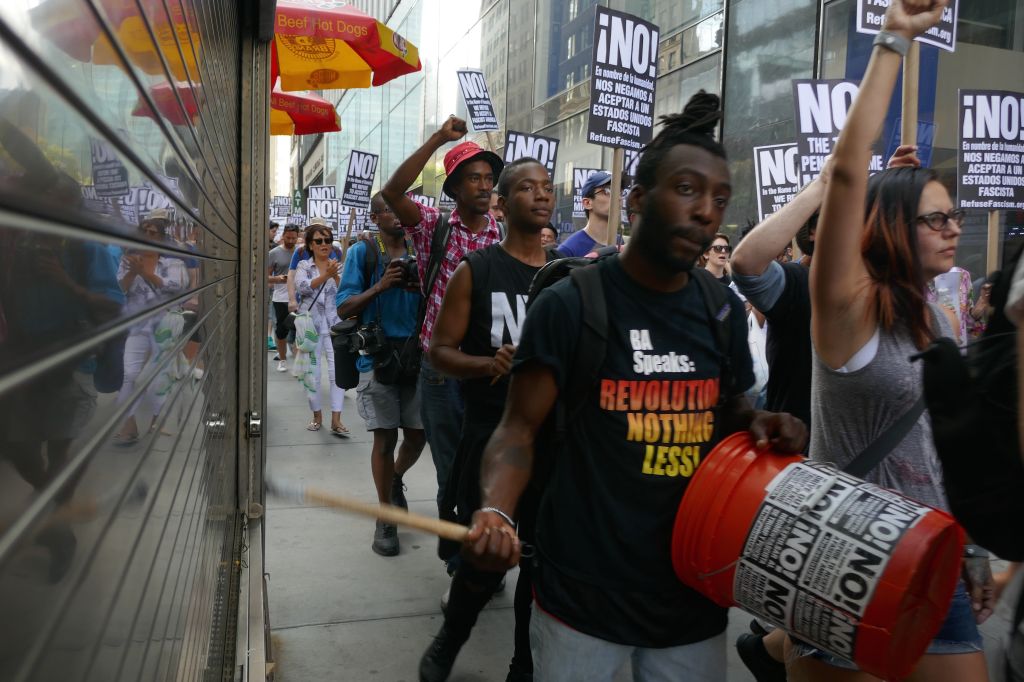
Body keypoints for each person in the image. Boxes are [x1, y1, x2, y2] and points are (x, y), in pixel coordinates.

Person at [463, 92, 807, 682]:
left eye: (719, 199)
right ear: (639, 199)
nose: (705, 211)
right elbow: (517, 432)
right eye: (687, 189)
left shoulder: (719, 308)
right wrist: (495, 509)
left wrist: (758, 425)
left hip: (689, 604)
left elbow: (731, 407)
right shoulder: (569, 305)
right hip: (582, 602)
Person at [789, 1, 991, 679]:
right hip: (843, 559)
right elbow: (849, 175)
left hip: (930, 557)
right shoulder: (845, 311)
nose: (953, 229)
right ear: (894, 227)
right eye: (935, 218)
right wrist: (895, 40)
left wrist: (970, 549)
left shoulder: (932, 317)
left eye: (954, 216)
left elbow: (936, 446)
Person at [419, 158, 556, 682]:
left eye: (546, 187)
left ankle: (523, 664)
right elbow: (439, 351)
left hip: (550, 445)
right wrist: (488, 364)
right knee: (485, 558)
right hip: (491, 437)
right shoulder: (476, 271)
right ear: (502, 203)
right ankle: (451, 637)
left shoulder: (568, 273)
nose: (541, 196)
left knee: (538, 565)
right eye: (526, 187)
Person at [380, 115, 504, 515]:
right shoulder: (433, 225)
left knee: (485, 463)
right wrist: (437, 139)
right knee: (451, 465)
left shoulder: (501, 235)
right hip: (441, 372)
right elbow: (394, 191)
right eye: (473, 178)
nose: (484, 185)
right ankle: (458, 552)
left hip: (488, 368)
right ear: (453, 187)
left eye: (488, 178)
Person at [337, 193, 426, 556]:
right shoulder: (364, 253)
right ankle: (384, 515)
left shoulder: (423, 248)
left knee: (419, 434)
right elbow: (344, 306)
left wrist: (421, 284)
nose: (401, 216)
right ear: (375, 217)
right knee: (384, 438)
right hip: (379, 357)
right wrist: (381, 286)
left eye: (407, 208)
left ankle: (395, 480)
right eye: (391, 210)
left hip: (420, 354)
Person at [113, 216, 189, 445]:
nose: (147, 235)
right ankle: (129, 425)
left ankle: (158, 420)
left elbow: (176, 288)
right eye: (144, 230)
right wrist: (132, 272)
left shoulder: (172, 262)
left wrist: (145, 273)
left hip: (164, 326)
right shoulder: (128, 260)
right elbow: (121, 288)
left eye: (152, 232)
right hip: (137, 325)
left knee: (159, 377)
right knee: (129, 374)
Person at [294, 224, 348, 435]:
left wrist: (334, 275)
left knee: (338, 374)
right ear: (310, 245)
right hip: (311, 327)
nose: (324, 244)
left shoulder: (340, 266)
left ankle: (337, 419)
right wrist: (325, 275)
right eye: (319, 241)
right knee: (313, 375)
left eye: (328, 240)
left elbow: (348, 291)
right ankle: (317, 416)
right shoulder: (304, 266)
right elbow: (302, 287)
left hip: (335, 326)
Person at [558, 170, 619, 257]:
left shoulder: (623, 244)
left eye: (620, 191)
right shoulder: (568, 250)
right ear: (587, 203)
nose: (618, 197)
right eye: (607, 191)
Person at [268, 224, 300, 372]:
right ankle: (282, 359)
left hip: (301, 297)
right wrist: (279, 278)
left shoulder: (302, 252)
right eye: (288, 238)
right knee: (281, 330)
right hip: (281, 297)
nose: (291, 241)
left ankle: (299, 361)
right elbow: (265, 277)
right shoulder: (274, 253)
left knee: (301, 329)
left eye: (294, 238)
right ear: (283, 235)